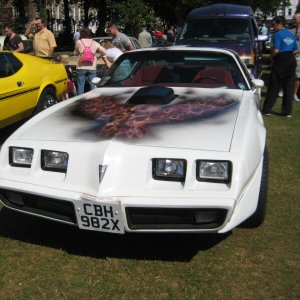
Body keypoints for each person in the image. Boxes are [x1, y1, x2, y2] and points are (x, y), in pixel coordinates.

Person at [262, 16, 298, 118]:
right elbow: (296, 50)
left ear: (280, 24)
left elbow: (276, 50)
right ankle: (287, 112)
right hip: (291, 60)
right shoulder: (291, 34)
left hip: (280, 60)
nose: (272, 27)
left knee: (274, 86)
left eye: (273, 24)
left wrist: (271, 57)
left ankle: (267, 110)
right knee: (288, 87)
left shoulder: (277, 35)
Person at [74, 27, 107, 95]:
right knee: (93, 85)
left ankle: (80, 101)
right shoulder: (94, 42)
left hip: (81, 67)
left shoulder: (79, 42)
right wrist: (98, 57)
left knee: (80, 86)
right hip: (92, 67)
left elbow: (75, 53)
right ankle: (93, 100)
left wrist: (80, 53)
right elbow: (104, 51)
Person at [292, 13, 300, 102]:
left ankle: (294, 94)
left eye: (295, 19)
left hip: (298, 55)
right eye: (293, 19)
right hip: (289, 55)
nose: (293, 20)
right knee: (287, 73)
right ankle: (283, 90)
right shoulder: (291, 30)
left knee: (297, 75)